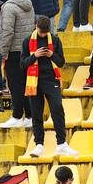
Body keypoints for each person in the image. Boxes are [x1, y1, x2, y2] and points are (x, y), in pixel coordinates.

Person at [21, 17, 72, 159]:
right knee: (36, 113)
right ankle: (39, 144)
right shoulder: (27, 41)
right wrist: (35, 56)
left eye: (45, 32)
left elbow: (61, 62)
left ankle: (61, 143)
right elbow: (22, 64)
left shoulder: (55, 40)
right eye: (41, 32)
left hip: (51, 79)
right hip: (34, 81)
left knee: (57, 108)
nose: (43, 35)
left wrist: (51, 55)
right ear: (35, 26)